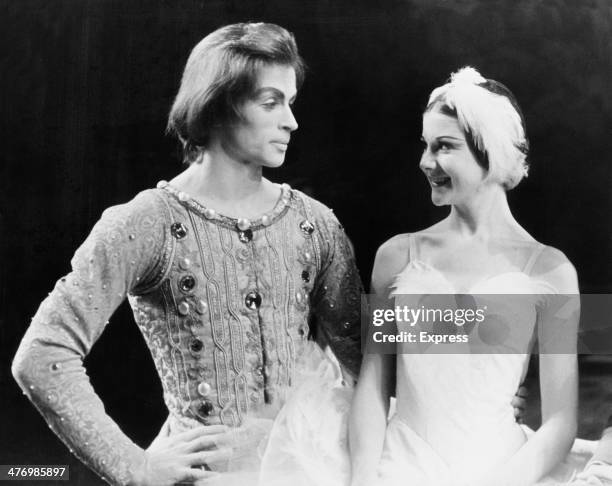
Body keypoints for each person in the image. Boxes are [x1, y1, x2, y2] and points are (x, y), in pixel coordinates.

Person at [11, 22, 362, 486]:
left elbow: (368, 353)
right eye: (271, 101)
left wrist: (471, 305)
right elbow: (42, 355)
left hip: (319, 470)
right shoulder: (146, 222)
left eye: (290, 103)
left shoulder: (314, 223)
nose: (291, 121)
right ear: (218, 104)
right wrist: (134, 467)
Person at [348, 67, 583, 486]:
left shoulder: (552, 271)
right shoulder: (397, 256)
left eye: (444, 147)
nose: (425, 162)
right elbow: (373, 388)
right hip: (399, 466)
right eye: (425, 146)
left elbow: (561, 422)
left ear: (489, 153)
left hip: (501, 469)